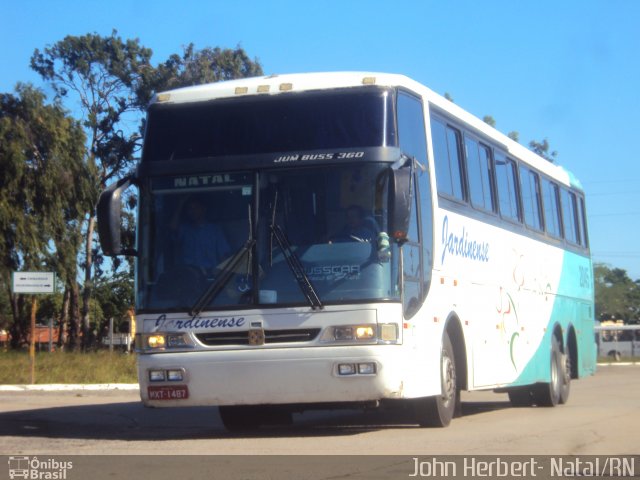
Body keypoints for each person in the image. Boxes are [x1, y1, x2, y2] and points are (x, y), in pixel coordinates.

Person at [171, 196, 231, 272]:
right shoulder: (184, 229)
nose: (192, 212)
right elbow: (172, 228)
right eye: (190, 209)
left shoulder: (215, 230)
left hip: (209, 274)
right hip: (188, 274)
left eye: (195, 208)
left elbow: (224, 254)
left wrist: (221, 274)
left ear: (203, 209)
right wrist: (180, 204)